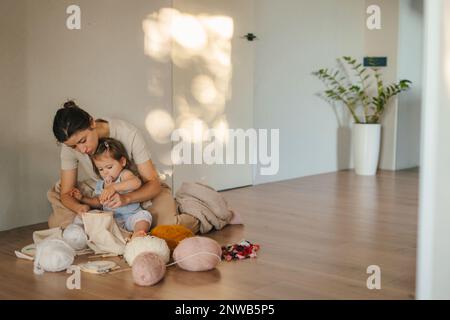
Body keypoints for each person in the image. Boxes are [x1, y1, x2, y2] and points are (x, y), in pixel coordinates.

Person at [47, 100, 200, 233]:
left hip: (140, 190)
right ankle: (113, 229)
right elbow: (66, 193)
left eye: (83, 141)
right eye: (73, 147)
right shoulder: (70, 146)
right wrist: (79, 208)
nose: (82, 150)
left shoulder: (128, 133)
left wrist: (126, 198)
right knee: (58, 223)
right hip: (101, 191)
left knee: (169, 226)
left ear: (91, 122)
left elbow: (153, 184)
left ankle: (192, 215)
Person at [70, 137, 152, 238]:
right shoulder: (102, 184)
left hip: (131, 216)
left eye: (109, 167)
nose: (105, 172)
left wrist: (114, 187)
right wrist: (83, 198)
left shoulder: (124, 175)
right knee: (91, 216)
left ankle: (139, 233)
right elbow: (98, 202)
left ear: (122, 162)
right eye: (100, 169)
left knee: (144, 216)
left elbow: (136, 182)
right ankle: (78, 233)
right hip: (112, 219)